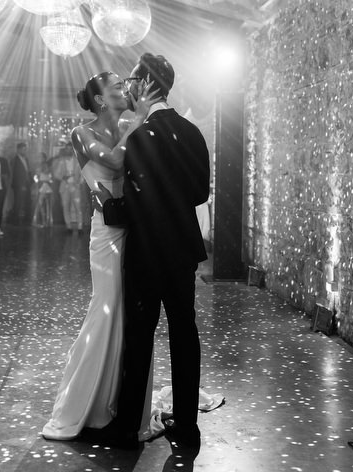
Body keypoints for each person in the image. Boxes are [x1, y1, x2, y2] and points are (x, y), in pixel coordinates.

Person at [96, 53, 210, 450]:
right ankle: (188, 427)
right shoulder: (193, 133)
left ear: (145, 85)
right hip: (181, 249)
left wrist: (107, 208)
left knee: (140, 336)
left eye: (132, 81)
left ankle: (128, 426)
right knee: (184, 333)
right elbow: (200, 193)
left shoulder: (142, 136)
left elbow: (137, 202)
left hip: (147, 250)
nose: (127, 87)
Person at [42, 71, 158, 441]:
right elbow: (113, 162)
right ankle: (86, 403)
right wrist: (139, 121)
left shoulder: (129, 125)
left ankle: (125, 402)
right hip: (107, 232)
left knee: (132, 312)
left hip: (136, 227)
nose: (126, 90)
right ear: (99, 101)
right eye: (117, 88)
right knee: (106, 304)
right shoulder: (82, 133)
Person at [53, 142, 83, 233]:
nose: (69, 151)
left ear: (73, 150)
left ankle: (80, 227)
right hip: (64, 187)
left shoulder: (78, 161)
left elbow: (83, 174)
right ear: (65, 150)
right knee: (65, 206)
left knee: (78, 207)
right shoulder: (61, 161)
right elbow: (55, 174)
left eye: (71, 149)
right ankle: (68, 226)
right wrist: (62, 177)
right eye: (67, 149)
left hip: (75, 186)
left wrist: (79, 183)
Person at [11, 142, 32, 225]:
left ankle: (27, 219)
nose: (25, 151)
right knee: (18, 202)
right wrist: (21, 185)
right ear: (18, 150)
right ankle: (15, 219)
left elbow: (27, 171)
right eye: (23, 149)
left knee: (27, 201)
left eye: (25, 149)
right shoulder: (15, 160)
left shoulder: (25, 159)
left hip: (27, 183)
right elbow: (16, 174)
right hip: (19, 184)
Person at [32, 152, 53, 227]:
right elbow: (36, 177)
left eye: (41, 157)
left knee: (45, 204)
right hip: (41, 186)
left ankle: (46, 221)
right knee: (40, 204)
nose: (40, 159)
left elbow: (49, 175)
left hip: (45, 185)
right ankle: (38, 221)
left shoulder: (46, 165)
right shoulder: (39, 166)